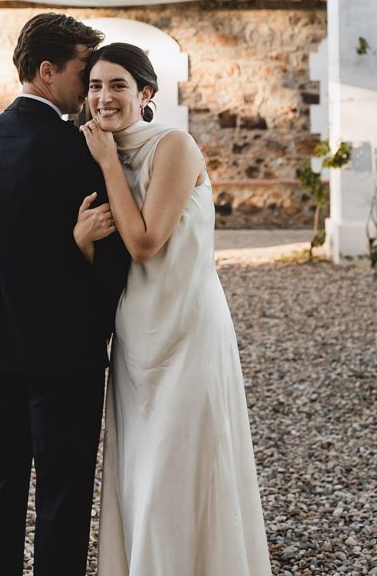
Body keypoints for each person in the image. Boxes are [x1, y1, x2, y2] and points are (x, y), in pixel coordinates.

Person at [80, 43, 272, 576]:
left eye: (117, 85)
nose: (103, 97)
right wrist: (80, 238)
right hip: (135, 331)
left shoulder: (174, 145)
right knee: (142, 474)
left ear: (146, 94)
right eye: (95, 86)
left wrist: (105, 163)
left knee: (181, 464)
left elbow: (145, 242)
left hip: (187, 328)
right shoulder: (99, 151)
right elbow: (108, 257)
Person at [0, 13, 131, 575]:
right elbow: (112, 258)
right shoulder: (85, 149)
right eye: (85, 70)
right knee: (63, 491)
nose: (92, 85)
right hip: (67, 349)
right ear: (49, 71)